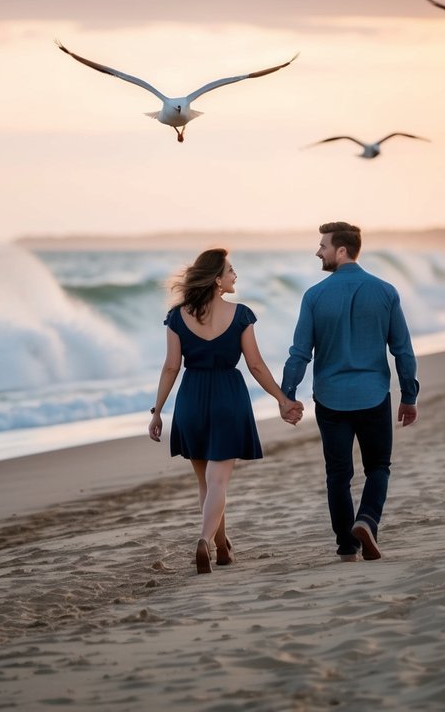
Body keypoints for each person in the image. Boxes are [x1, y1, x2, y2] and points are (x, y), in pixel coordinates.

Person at [149, 248, 303, 574]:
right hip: (228, 398)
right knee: (218, 482)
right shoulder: (242, 314)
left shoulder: (178, 316)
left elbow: (170, 367)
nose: (235, 276)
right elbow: (256, 366)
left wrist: (158, 410)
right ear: (218, 279)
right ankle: (205, 541)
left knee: (206, 485)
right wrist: (281, 399)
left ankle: (222, 547)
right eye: (231, 271)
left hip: (191, 399)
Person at [280, 222, 419, 562]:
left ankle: (346, 547)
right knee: (378, 467)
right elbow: (402, 349)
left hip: (330, 398)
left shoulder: (314, 296)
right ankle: (367, 520)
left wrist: (288, 394)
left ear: (341, 250)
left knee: (338, 475)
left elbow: (300, 353)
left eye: (323, 246)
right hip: (373, 395)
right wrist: (409, 395)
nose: (318, 251)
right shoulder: (385, 291)